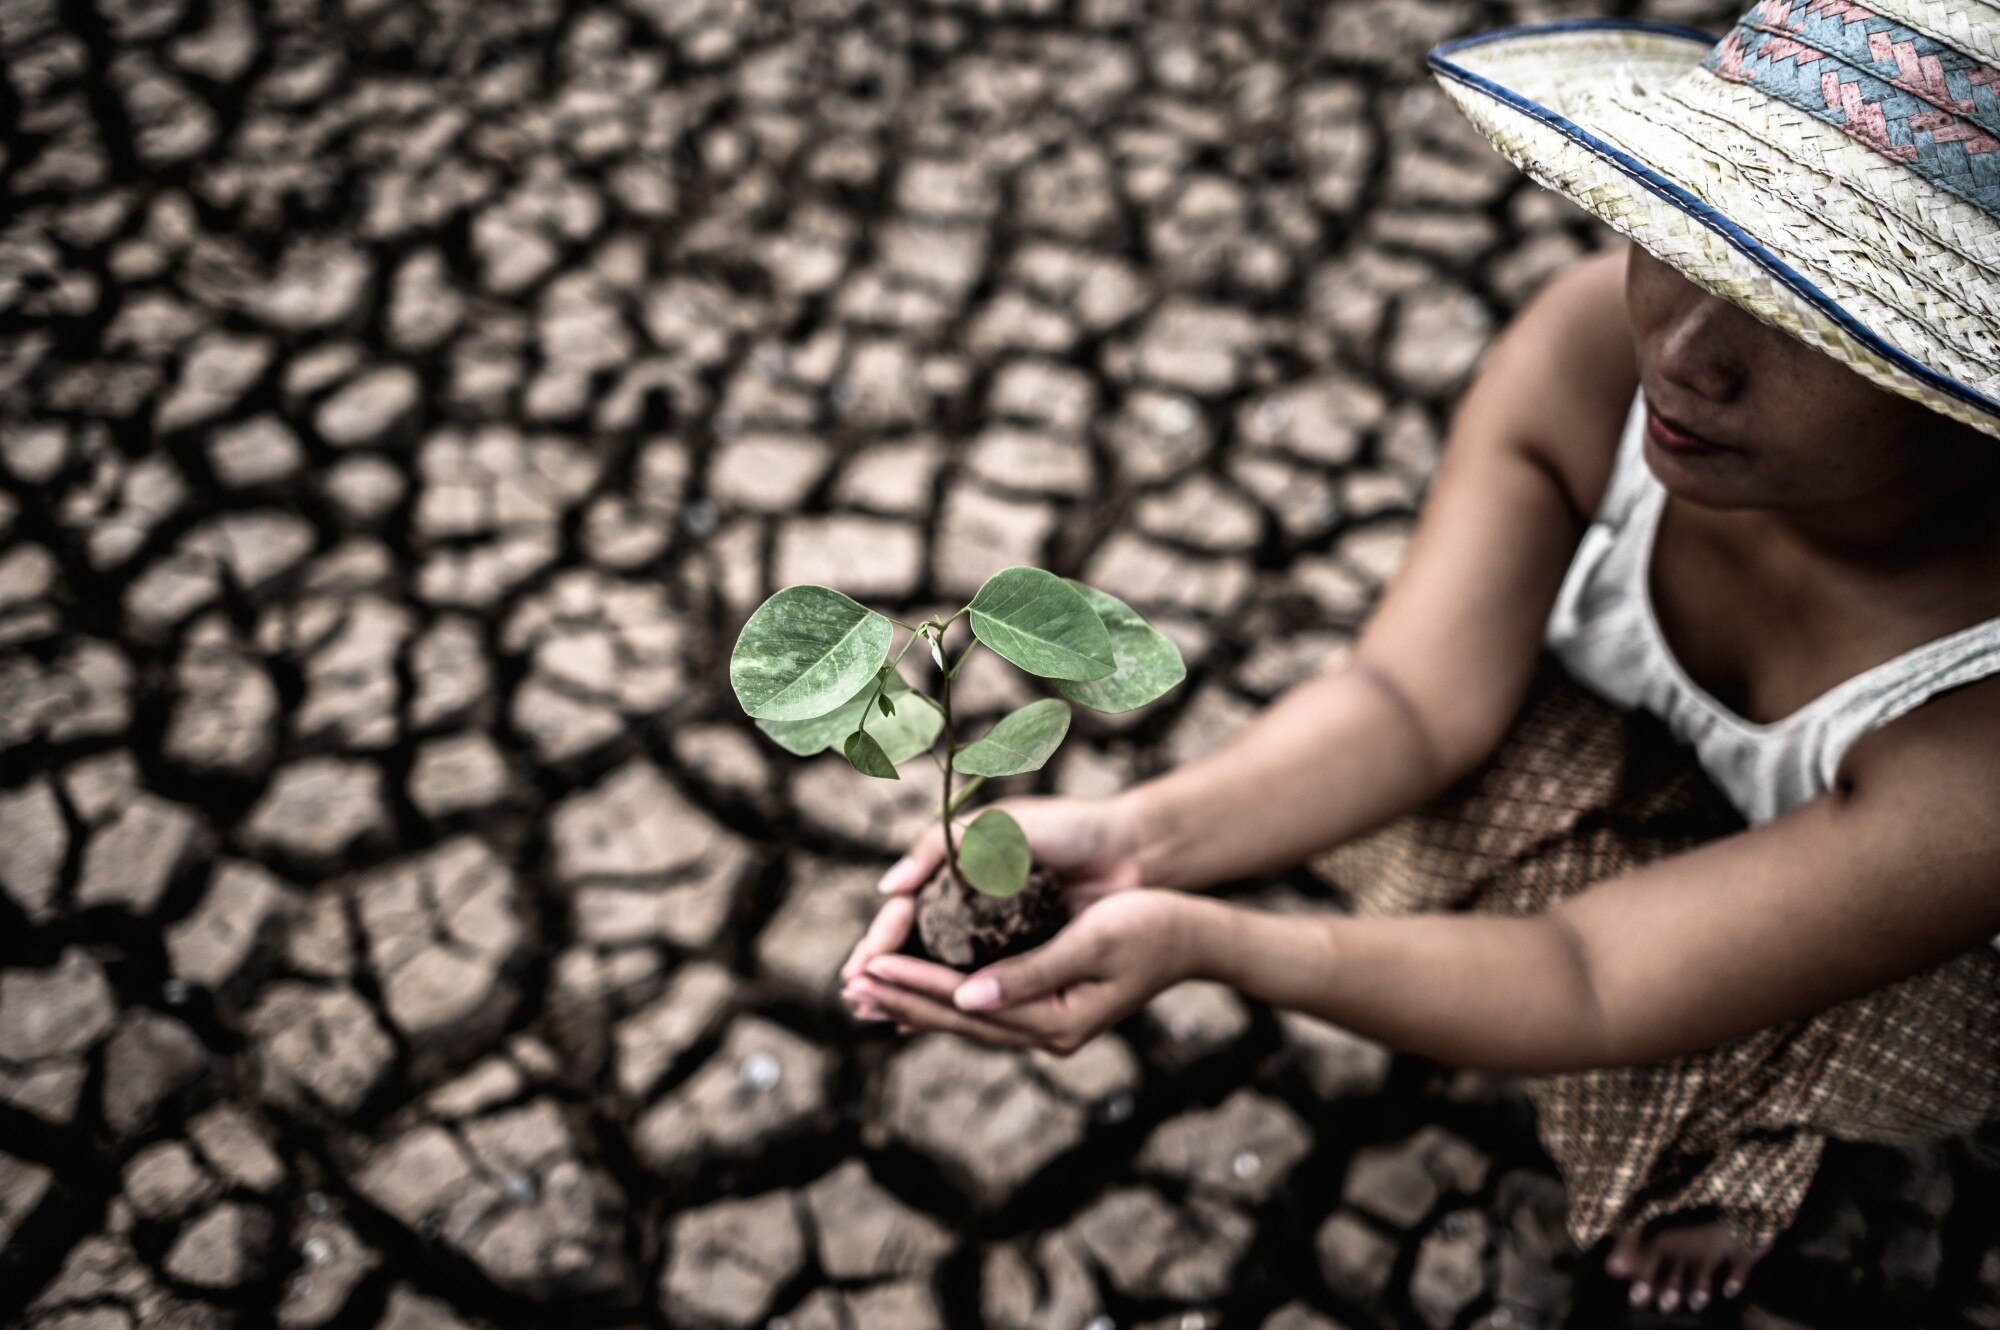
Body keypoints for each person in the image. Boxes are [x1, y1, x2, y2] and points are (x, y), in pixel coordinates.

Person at [840, 0, 2000, 1314]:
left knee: (1767, 1024)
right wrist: (1138, 840)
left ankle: (1745, 1155)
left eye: (1812, 316)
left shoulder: (1983, 737)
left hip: (1900, 943)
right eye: (1691, 236)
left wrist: (1220, 945)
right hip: (1615, 757)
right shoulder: (1590, 355)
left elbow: (1595, 976)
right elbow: (1407, 701)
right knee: (1434, 809)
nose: (1684, 355)